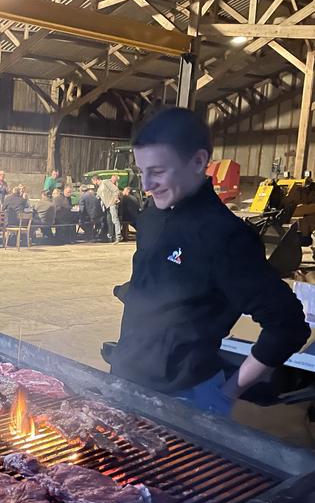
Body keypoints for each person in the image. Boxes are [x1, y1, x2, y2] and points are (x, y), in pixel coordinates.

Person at [110, 107, 310, 417]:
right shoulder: (151, 215)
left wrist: (227, 393)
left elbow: (288, 326)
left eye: (158, 171)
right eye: (141, 171)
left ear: (199, 162)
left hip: (185, 398)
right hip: (124, 379)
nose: (147, 184)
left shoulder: (226, 238)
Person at [97, 174, 122, 243]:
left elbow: (116, 190)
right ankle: (111, 236)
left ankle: (118, 236)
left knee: (115, 219)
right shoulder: (99, 188)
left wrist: (115, 199)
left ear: (96, 180)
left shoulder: (105, 182)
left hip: (112, 204)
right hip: (107, 206)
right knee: (109, 221)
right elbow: (98, 196)